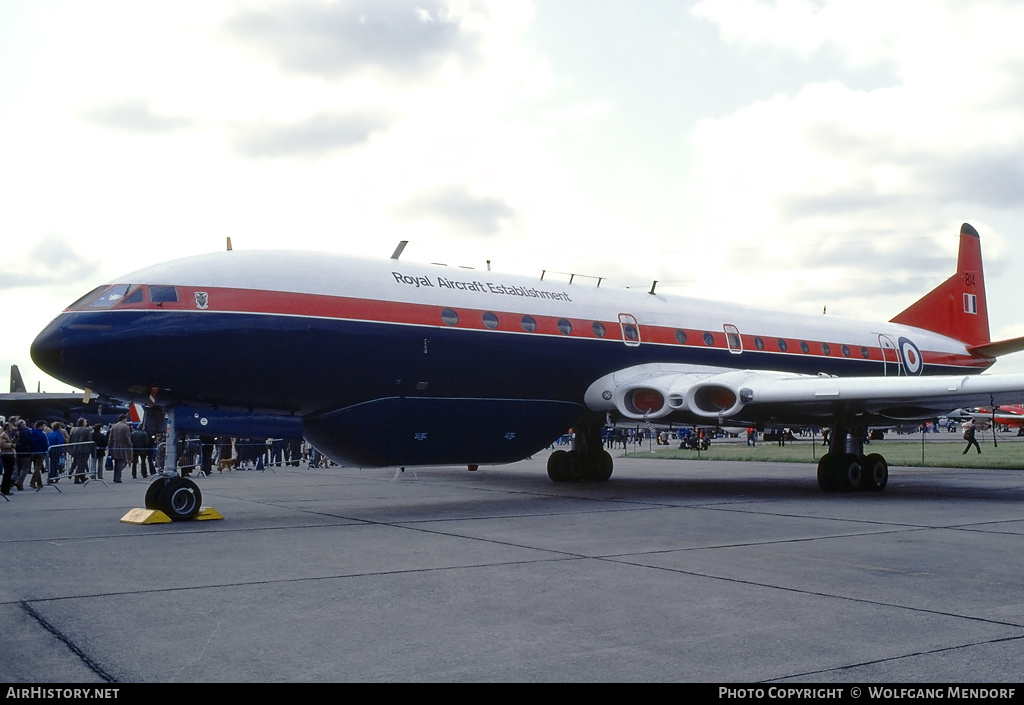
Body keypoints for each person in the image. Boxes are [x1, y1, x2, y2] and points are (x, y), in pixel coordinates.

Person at [107, 415, 133, 483]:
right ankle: (118, 478)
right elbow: (127, 437)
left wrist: (110, 446)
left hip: (115, 446)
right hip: (122, 446)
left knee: (117, 462)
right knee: (121, 462)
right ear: (123, 419)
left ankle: (115, 477)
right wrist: (130, 444)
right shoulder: (125, 427)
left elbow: (110, 438)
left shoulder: (114, 426)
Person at [69, 419, 94, 483]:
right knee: (81, 464)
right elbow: (89, 440)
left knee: (78, 463)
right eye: (85, 422)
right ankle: (76, 478)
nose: (86, 423)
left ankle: (82, 477)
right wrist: (90, 448)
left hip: (75, 449)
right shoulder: (87, 430)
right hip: (84, 449)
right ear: (83, 423)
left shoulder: (74, 430)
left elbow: (70, 439)